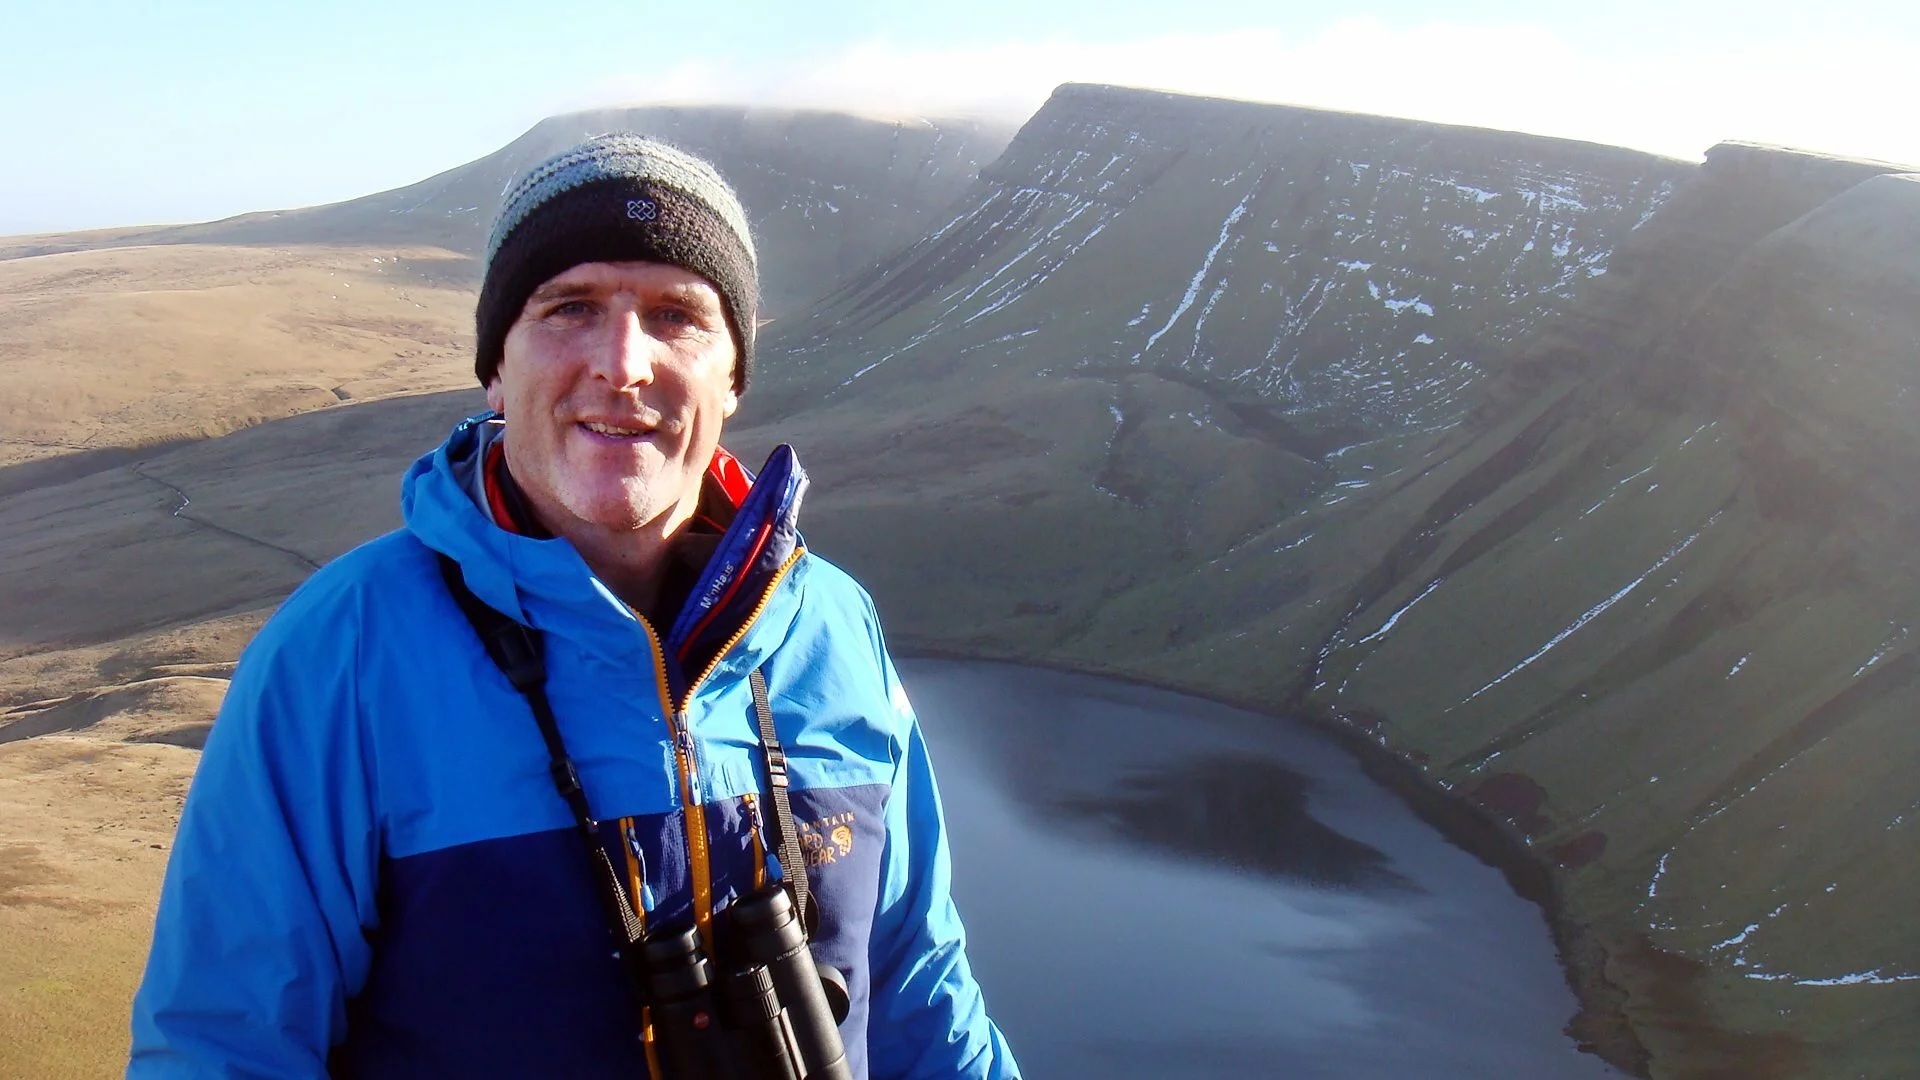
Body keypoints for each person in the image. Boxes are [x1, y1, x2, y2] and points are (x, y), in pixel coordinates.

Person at [129, 134, 1020, 1079]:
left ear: (732, 376)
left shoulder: (833, 623)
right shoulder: (341, 654)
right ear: (495, 369)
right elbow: (225, 1048)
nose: (622, 363)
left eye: (678, 314)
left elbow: (922, 989)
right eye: (571, 308)